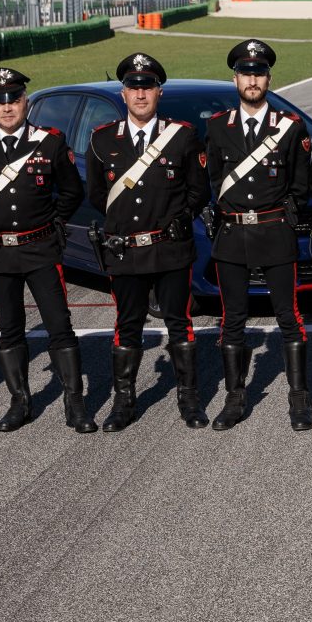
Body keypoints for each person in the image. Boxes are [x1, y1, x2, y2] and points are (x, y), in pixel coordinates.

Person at [0, 67, 94, 434]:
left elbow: (70, 192)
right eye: (0, 100)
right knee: (9, 329)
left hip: (40, 250)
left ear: (25, 102)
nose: (7, 107)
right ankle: (20, 402)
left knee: (59, 326)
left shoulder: (48, 142)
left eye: (14, 99)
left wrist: (52, 222)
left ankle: (74, 403)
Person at [85, 52, 208, 431]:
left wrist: (172, 223)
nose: (141, 95)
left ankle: (189, 400)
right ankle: (124, 402)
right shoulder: (102, 140)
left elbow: (198, 190)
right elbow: (95, 194)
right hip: (126, 252)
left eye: (148, 87)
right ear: (123, 94)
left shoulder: (183, 135)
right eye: (133, 87)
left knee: (179, 323)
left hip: (170, 248)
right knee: (128, 324)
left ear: (158, 92)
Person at [205, 39, 312, 431]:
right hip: (233, 236)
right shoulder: (218, 128)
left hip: (274, 233)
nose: (252, 80)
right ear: (235, 78)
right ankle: (235, 398)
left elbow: (300, 186)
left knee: (289, 315)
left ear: (268, 78)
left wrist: (284, 219)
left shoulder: (290, 127)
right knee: (232, 318)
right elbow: (215, 181)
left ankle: (299, 398)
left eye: (259, 73)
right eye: (246, 73)